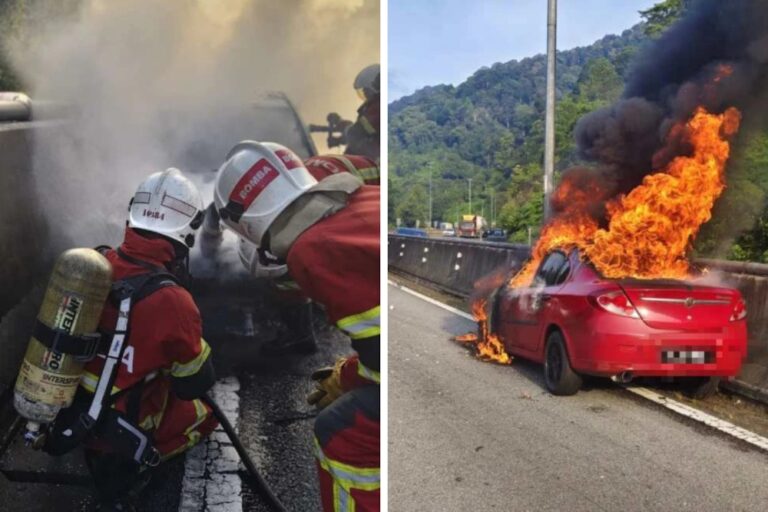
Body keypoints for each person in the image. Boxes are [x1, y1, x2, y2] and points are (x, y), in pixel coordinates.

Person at [213, 141, 380, 511]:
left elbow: (384, 361)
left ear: (248, 223)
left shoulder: (311, 251)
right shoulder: (362, 198)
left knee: (338, 432)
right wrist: (350, 371)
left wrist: (348, 379)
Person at [45, 168, 217, 511]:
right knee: (203, 413)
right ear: (187, 231)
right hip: (120, 435)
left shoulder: (97, 266)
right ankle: (144, 465)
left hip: (71, 415)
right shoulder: (174, 301)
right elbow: (192, 383)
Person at [345, 64, 380, 160]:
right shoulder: (374, 107)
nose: (364, 93)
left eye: (366, 90)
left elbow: (357, 133)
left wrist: (350, 131)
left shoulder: (376, 107)